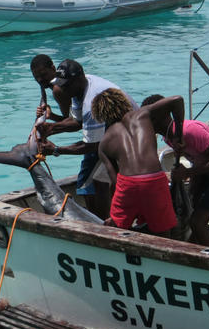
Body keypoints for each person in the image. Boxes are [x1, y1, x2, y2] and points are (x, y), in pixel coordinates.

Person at [143, 94, 209, 248]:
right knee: (192, 213)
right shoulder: (169, 137)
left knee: (198, 222)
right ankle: (192, 249)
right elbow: (198, 159)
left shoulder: (188, 131)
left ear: (156, 117)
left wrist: (187, 173)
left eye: (146, 117)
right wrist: (192, 186)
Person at [38, 60, 137, 218]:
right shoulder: (80, 88)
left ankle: (103, 223)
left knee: (91, 181)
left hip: (131, 138)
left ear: (77, 80)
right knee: (89, 179)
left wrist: (56, 150)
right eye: (61, 84)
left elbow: (92, 146)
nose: (62, 89)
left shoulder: (92, 101)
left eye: (66, 85)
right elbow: (77, 121)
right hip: (113, 133)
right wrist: (51, 128)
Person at [92, 89, 185, 236]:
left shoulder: (104, 143)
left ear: (100, 115)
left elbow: (114, 183)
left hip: (127, 183)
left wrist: (116, 213)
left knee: (117, 229)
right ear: (124, 103)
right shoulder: (142, 114)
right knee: (163, 233)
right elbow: (177, 99)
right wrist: (178, 135)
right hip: (154, 179)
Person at [30, 54, 70, 121]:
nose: (40, 80)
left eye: (43, 75)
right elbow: (42, 85)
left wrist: (51, 116)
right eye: (36, 77)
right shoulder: (59, 75)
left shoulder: (59, 90)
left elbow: (74, 123)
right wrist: (44, 103)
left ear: (53, 68)